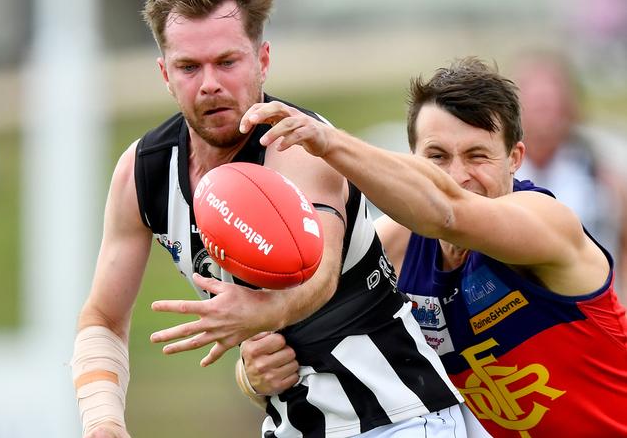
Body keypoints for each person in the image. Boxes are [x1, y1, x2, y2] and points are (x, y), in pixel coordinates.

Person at [70, 0, 466, 438]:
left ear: (262, 60)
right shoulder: (142, 173)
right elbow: (103, 318)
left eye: (227, 62)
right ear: (164, 74)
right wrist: (103, 422)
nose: (210, 83)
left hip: (398, 418)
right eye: (189, 67)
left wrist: (262, 316)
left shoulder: (297, 143)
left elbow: (318, 276)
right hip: (291, 426)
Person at [238, 57, 627, 438]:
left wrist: (328, 141)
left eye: (477, 156)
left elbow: (448, 212)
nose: (457, 177)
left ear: (514, 159)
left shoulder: (546, 222)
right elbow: (303, 335)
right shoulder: (393, 248)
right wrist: (253, 376)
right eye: (436, 157)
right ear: (412, 161)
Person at [514, 51, 627, 304]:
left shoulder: (597, 167)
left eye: (551, 101)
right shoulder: (500, 173)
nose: (544, 111)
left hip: (596, 308)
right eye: (535, 102)